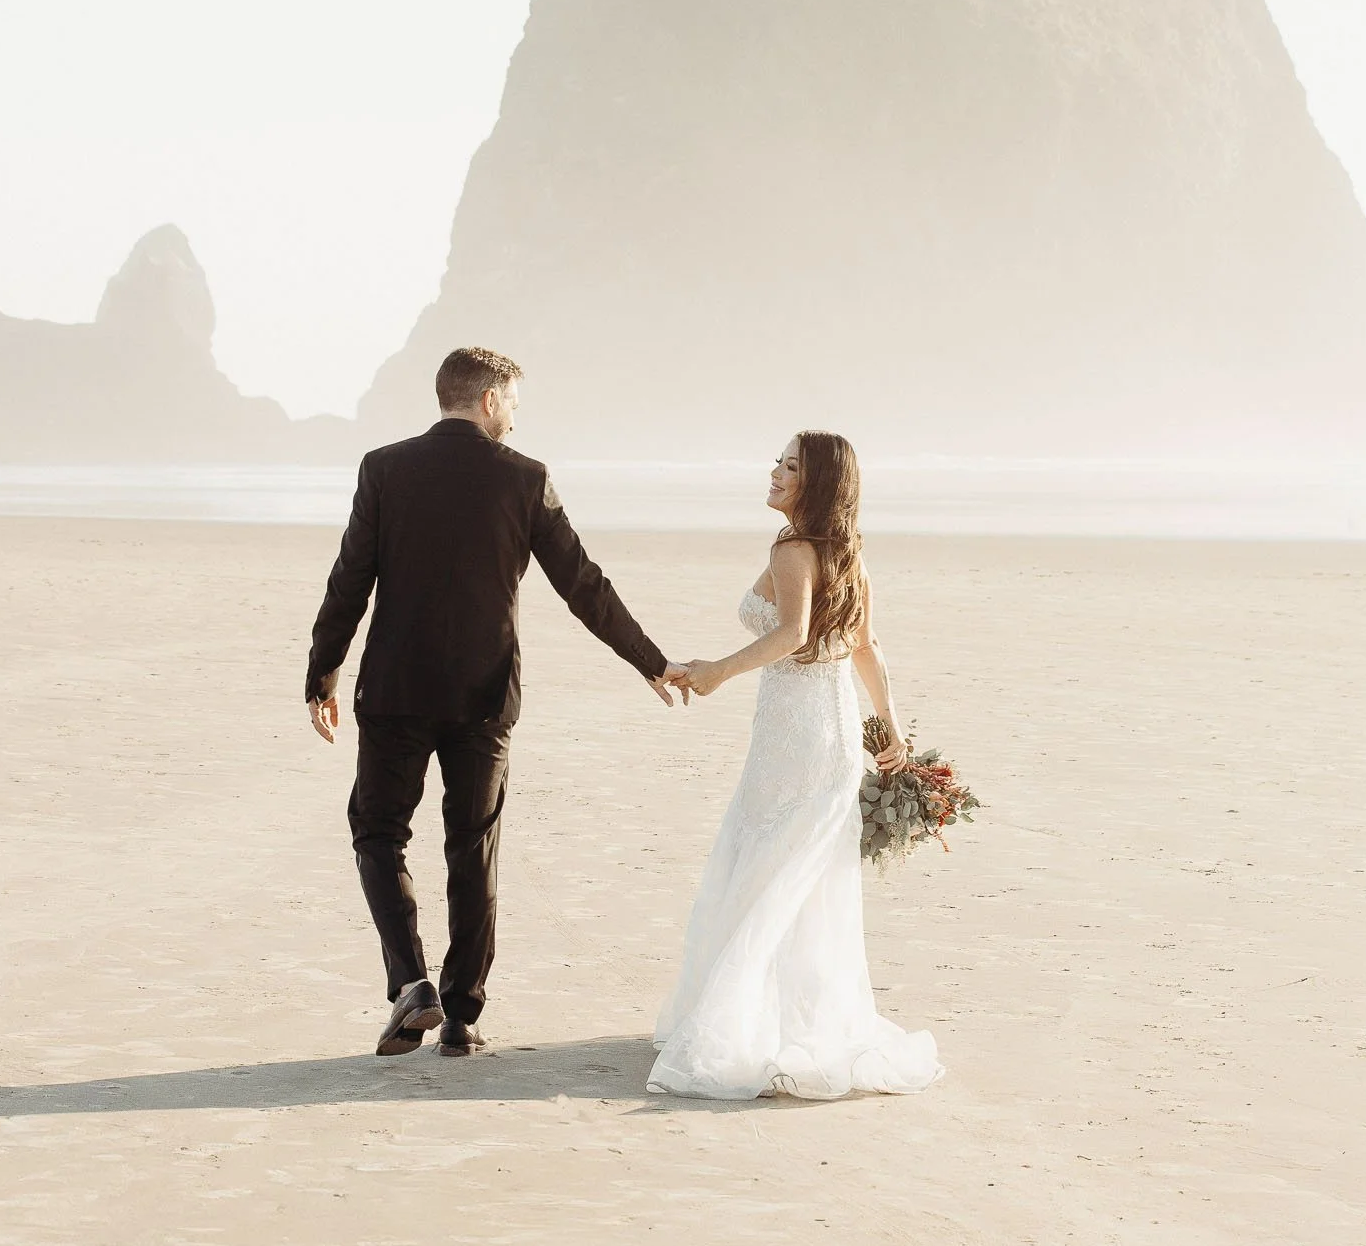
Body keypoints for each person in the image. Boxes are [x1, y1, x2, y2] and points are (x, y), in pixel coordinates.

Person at [305, 346, 687, 1057]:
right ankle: (461, 1014)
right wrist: (650, 659)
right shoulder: (525, 479)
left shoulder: (383, 468)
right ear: (487, 400)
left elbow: (349, 579)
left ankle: (411, 982)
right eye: (513, 400)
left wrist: (321, 670)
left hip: (394, 689)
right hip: (483, 696)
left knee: (378, 830)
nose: (517, 414)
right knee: (471, 846)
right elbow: (583, 584)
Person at [651, 432, 944, 1099]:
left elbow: (791, 633)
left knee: (767, 863)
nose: (776, 472)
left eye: (790, 466)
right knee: (805, 873)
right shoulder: (846, 552)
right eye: (778, 461)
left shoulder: (791, 548)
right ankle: (797, 1021)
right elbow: (866, 648)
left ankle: (746, 1025)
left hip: (792, 737)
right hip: (833, 732)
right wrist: (890, 726)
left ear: (814, 484)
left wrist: (717, 670)